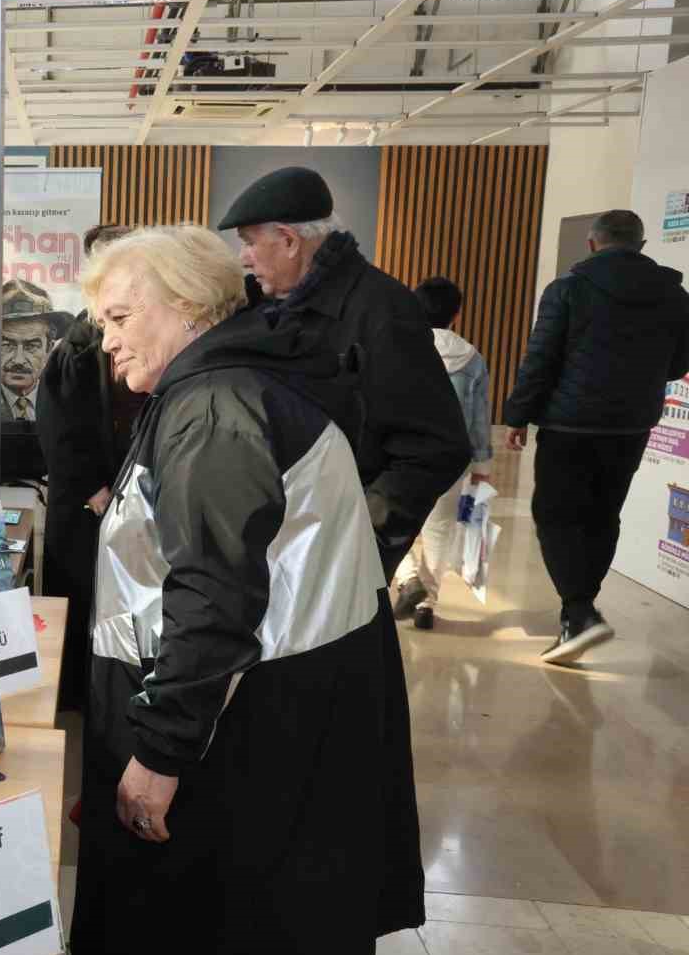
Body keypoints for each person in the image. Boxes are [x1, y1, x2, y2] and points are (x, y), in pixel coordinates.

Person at [69, 226, 424, 955]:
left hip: (251, 730)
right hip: (277, 708)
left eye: (121, 319)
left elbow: (214, 595)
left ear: (191, 305)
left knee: (226, 949)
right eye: (102, 324)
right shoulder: (236, 384)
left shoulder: (216, 407)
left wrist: (157, 756)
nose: (108, 343)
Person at [219, 166, 472, 578]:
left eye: (248, 243)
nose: (243, 257)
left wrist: (359, 541)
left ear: (288, 240)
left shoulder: (382, 311)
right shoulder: (269, 309)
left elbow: (435, 447)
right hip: (280, 549)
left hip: (332, 562)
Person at [503, 209, 689, 664]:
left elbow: (541, 357)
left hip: (570, 423)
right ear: (642, 246)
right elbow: (678, 363)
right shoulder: (677, 296)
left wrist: (517, 415)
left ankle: (580, 610)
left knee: (554, 514)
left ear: (592, 243)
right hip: (631, 425)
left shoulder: (568, 289)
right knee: (604, 515)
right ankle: (578, 613)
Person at [36, 223, 137, 712]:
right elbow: (59, 432)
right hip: (87, 506)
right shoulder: (75, 346)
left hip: (126, 504)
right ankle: (75, 696)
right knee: (77, 602)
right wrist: (93, 488)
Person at [392, 277, 494, 630]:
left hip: (400, 454)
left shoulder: (400, 348)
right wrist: (482, 464)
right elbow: (480, 416)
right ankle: (427, 606)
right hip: (452, 458)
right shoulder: (472, 358)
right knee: (438, 530)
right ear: (456, 313)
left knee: (391, 520)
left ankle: (407, 579)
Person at [0, 278, 73, 423]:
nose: (18, 360)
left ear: (49, 349)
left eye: (31, 346)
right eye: (7, 345)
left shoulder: (68, 405)